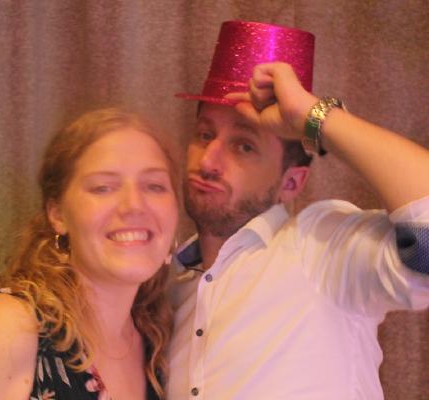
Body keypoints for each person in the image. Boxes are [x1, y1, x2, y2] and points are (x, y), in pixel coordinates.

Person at [167, 21, 429, 399]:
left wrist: (315, 117)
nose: (207, 161)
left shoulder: (321, 248)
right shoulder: (164, 287)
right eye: (205, 135)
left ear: (291, 183)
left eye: (243, 146)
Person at [0, 108, 179, 399]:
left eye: (154, 186)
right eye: (103, 188)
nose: (134, 205)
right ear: (57, 214)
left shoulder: (157, 344)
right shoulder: (13, 326)